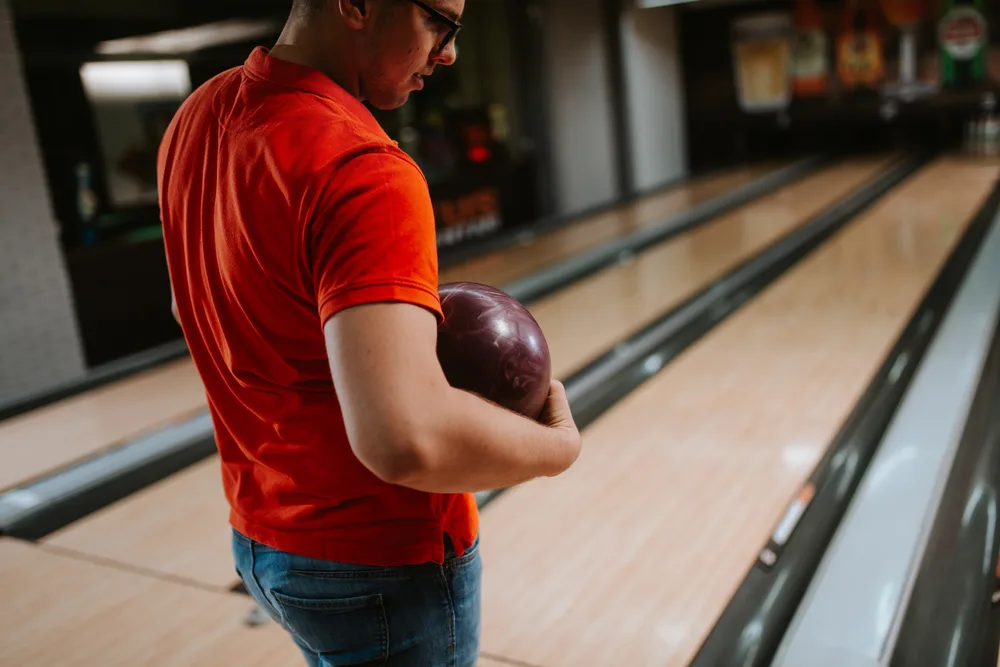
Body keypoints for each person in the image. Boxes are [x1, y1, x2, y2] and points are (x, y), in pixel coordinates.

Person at [156, 1, 583, 665]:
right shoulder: (365, 169)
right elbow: (405, 440)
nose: (449, 53)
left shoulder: (198, 117)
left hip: (264, 539)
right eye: (440, 21)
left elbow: (195, 313)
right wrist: (555, 448)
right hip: (380, 565)